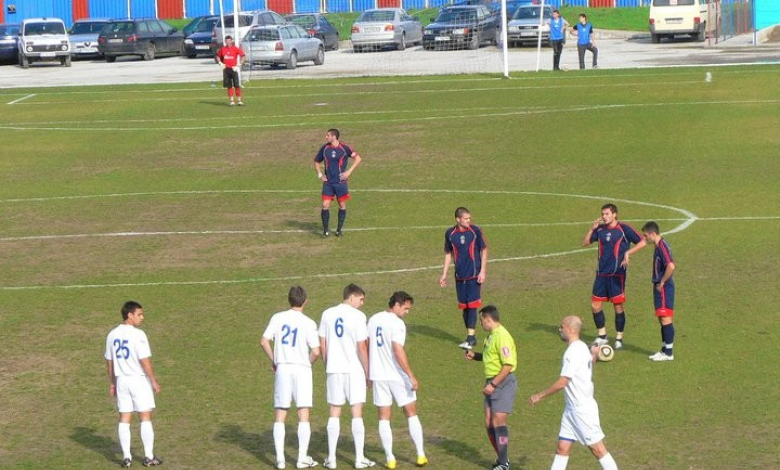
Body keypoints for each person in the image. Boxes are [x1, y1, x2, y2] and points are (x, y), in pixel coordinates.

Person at [529, 315, 619, 470]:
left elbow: (563, 382)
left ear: (570, 329)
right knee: (562, 448)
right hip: (571, 410)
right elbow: (588, 365)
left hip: (582, 410)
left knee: (598, 449)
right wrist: (595, 355)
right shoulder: (582, 347)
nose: (559, 329)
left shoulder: (572, 352)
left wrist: (539, 395)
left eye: (561, 327)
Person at [260, 286, 321, 469]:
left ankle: (280, 459)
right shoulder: (309, 322)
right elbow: (316, 351)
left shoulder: (278, 317)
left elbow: (264, 341)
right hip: (302, 369)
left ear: (289, 300)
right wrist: (307, 363)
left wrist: (275, 360)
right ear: (305, 301)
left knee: (281, 413)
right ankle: (302, 458)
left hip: (283, 369)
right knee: (303, 413)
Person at [367, 291, 428, 469]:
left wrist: (368, 371)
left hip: (378, 375)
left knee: (384, 418)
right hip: (396, 376)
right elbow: (397, 350)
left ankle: (390, 458)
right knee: (411, 413)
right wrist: (410, 374)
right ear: (397, 304)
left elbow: (366, 344)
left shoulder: (374, 319)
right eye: (406, 308)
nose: (407, 312)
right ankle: (420, 454)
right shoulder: (397, 324)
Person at [318, 284, 375, 469]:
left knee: (334, 411)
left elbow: (323, 344)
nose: (362, 303)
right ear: (351, 298)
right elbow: (362, 347)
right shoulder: (358, 316)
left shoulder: (327, 314)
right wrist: (368, 372)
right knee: (356, 412)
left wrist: (328, 365)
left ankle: (332, 459)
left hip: (334, 369)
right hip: (354, 370)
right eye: (361, 299)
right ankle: (359, 459)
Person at [104, 301, 163, 468]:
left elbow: (109, 361)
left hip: (121, 380)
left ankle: (126, 457)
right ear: (129, 315)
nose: (142, 318)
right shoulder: (138, 335)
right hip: (138, 379)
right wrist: (153, 380)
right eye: (139, 314)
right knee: (145, 417)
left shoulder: (112, 334)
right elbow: (144, 360)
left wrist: (113, 382)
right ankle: (149, 457)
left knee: (124, 418)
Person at [581, 203, 645, 349]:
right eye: (603, 214)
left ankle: (619, 338)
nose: (604, 217)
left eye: (607, 214)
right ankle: (602, 336)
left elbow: (642, 242)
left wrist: (628, 253)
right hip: (601, 273)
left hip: (617, 274)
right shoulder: (600, 230)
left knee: (618, 306)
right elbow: (585, 243)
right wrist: (592, 229)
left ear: (614, 214)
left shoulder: (624, 229)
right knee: (595, 305)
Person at [464, 306, 517, 470]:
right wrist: (475, 356)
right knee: (489, 422)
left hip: (502, 382)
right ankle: (503, 459)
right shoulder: (491, 337)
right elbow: (490, 358)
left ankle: (503, 463)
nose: (480, 323)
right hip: (491, 381)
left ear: (488, 319)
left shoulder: (502, 336)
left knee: (498, 421)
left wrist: (493, 385)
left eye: (481, 320)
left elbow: (508, 365)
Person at [439, 207, 488, 350]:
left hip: (474, 275)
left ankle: (471, 338)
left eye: (469, 218)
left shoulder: (475, 231)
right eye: (466, 218)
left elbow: (484, 250)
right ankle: (469, 336)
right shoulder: (450, 234)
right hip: (459, 276)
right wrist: (444, 274)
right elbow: (449, 254)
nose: (469, 221)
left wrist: (483, 271)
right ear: (458, 219)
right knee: (464, 307)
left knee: (472, 305)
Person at [313, 129, 363, 238]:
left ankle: (339, 230)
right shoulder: (325, 148)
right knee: (325, 205)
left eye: (328, 135)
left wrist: (349, 172)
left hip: (341, 183)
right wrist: (320, 175)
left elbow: (358, 159)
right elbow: (316, 161)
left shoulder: (345, 148)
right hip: (328, 183)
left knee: (342, 205)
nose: (326, 137)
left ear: (334, 137)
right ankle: (326, 231)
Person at [641, 221, 677, 361]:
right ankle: (664, 349)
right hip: (659, 287)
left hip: (664, 288)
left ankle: (668, 353)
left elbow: (671, 266)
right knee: (662, 319)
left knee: (666, 318)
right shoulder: (658, 246)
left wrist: (662, 281)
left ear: (652, 234)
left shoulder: (662, 246)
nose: (645, 238)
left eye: (646, 235)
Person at [215, 35, 246, 106]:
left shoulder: (235, 48)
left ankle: (239, 100)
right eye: (226, 41)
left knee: (237, 85)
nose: (228, 42)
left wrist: (239, 65)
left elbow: (243, 56)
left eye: (229, 41)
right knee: (229, 85)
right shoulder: (223, 49)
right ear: (225, 42)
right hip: (226, 69)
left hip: (234, 69)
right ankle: (231, 100)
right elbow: (217, 56)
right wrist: (220, 63)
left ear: (231, 41)